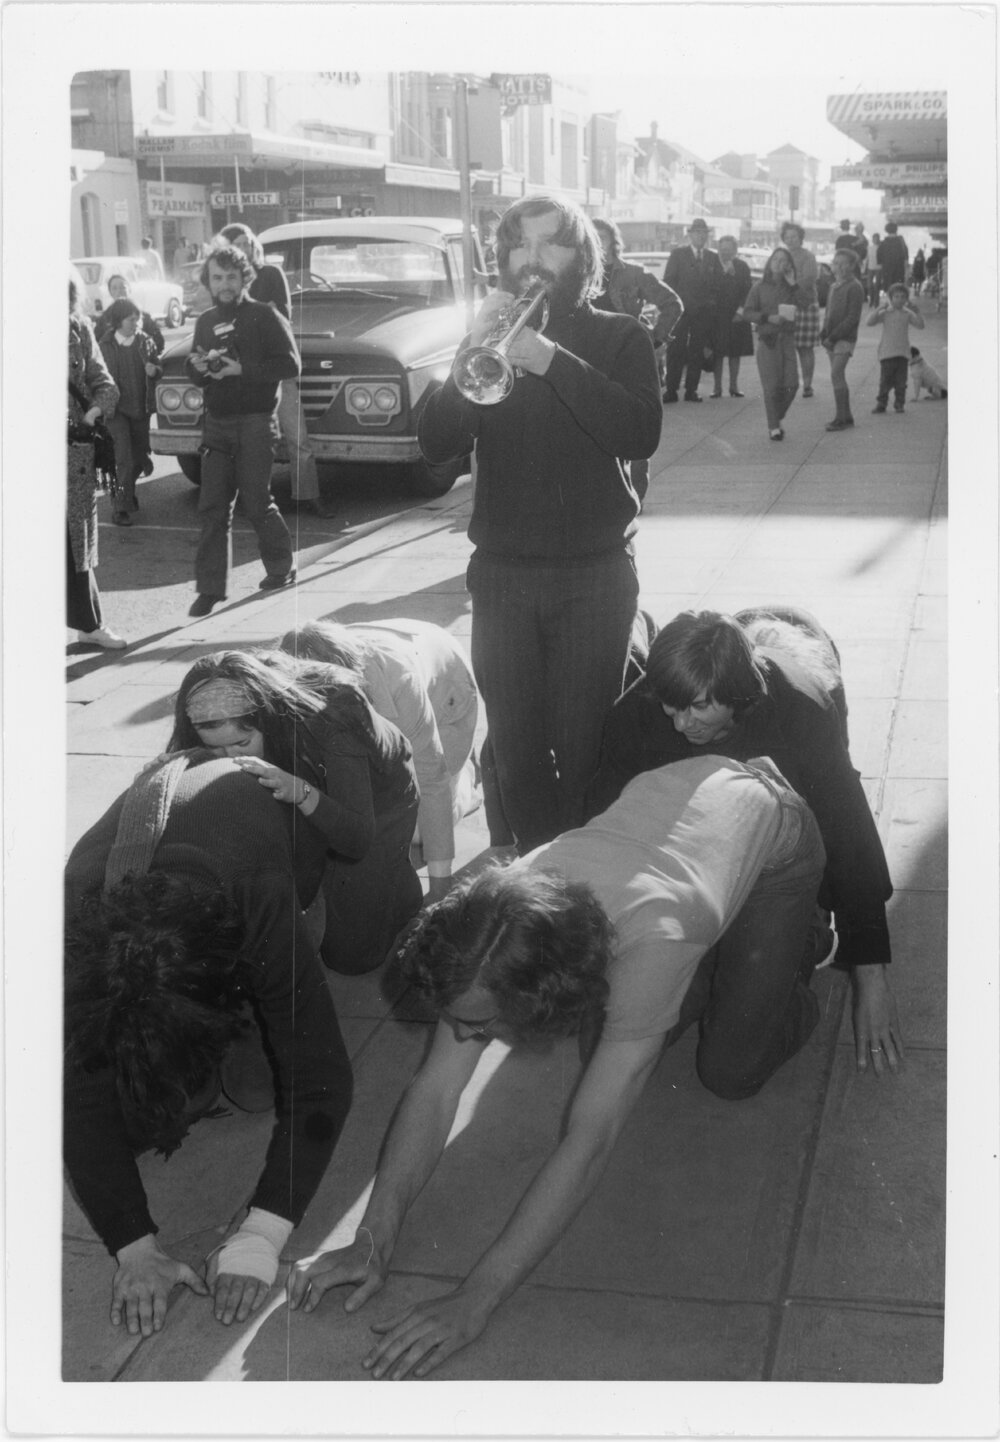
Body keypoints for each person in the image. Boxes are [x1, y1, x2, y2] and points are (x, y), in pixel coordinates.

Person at [285, 753, 833, 1378]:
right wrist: (372, 1238)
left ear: (536, 990)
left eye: (479, 1024)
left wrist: (477, 1297)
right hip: (668, 824)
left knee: (730, 1068)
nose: (466, 1037)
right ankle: (734, 961)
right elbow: (437, 1091)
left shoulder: (656, 940)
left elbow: (591, 1138)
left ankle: (804, 947)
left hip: (771, 834)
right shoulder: (495, 923)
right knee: (627, 1031)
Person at [63, 748, 353, 1338]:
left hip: (285, 871)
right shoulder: (73, 909)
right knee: (139, 1112)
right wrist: (135, 1247)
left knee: (257, 1088)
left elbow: (323, 1079)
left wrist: (264, 1232)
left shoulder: (260, 895)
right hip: (184, 885)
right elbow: (75, 1095)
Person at [417, 194, 661, 854]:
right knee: (517, 749)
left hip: (593, 574)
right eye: (519, 245)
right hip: (502, 575)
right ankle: (539, 878)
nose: (532, 259)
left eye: (550, 244)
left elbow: (640, 432)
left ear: (580, 257)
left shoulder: (618, 336)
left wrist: (552, 360)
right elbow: (436, 443)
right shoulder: (487, 339)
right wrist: (473, 347)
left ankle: (580, 871)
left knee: (582, 747)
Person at [586, 606, 901, 1061]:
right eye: (670, 706)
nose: (680, 723)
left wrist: (871, 978)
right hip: (691, 874)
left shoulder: (800, 710)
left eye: (697, 707)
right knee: (603, 1038)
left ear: (737, 695)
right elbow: (603, 831)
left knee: (731, 1068)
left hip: (778, 875)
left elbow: (851, 838)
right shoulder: (635, 715)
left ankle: (804, 950)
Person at [169, 649, 423, 974]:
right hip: (302, 775)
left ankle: (399, 889)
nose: (228, 758)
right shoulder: (218, 704)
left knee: (352, 959)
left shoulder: (333, 712)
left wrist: (299, 791)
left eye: (242, 744)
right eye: (215, 748)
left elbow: (357, 839)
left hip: (378, 797)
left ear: (269, 716)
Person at [281, 618, 480, 903]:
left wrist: (440, 890)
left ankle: (465, 785)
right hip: (391, 639)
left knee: (418, 834)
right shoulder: (287, 678)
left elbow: (432, 780)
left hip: (446, 688)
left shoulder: (399, 681)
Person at [185, 243, 299, 616]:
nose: (225, 284)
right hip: (216, 425)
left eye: (232, 277)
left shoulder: (265, 316)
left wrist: (241, 370)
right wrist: (198, 366)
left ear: (245, 277)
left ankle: (282, 567)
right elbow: (195, 373)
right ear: (209, 281)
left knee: (256, 501)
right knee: (213, 507)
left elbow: (290, 366)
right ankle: (210, 590)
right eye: (217, 277)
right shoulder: (204, 321)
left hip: (255, 422)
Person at [218, 222, 329, 518]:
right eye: (239, 244)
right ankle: (253, 502)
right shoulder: (231, 281)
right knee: (249, 442)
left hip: (277, 370)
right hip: (243, 372)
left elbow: (283, 314)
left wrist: (253, 316)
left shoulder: (271, 273)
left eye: (248, 242)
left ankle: (308, 496)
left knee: (298, 438)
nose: (246, 248)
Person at [591, 216, 682, 498]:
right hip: (590, 359)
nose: (596, 243)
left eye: (601, 238)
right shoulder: (576, 276)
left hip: (628, 357)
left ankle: (635, 495)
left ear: (613, 243)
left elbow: (672, 304)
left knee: (636, 422)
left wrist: (654, 338)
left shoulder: (633, 274)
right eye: (589, 237)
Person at [68, 274, 126, 650]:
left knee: (75, 541)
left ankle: (89, 624)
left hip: (73, 452)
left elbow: (106, 385)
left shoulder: (78, 330)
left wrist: (92, 413)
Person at [98, 297, 162, 524]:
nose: (135, 322)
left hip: (140, 409)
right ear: (117, 321)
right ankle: (120, 507)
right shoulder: (105, 345)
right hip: (116, 411)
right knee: (123, 457)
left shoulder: (145, 341)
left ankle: (128, 491)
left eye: (137, 318)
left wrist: (154, 370)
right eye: (130, 319)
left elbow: (159, 368)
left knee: (138, 457)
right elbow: (95, 377)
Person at [739, 246, 807, 441]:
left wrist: (793, 284)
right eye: (776, 259)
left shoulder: (790, 286)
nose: (780, 263)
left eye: (784, 260)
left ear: (789, 265)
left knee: (792, 384)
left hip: (787, 339)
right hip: (768, 340)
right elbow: (747, 312)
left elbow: (806, 303)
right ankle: (774, 427)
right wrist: (768, 317)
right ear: (770, 262)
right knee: (771, 387)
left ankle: (776, 416)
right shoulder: (759, 286)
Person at [662, 218, 722, 402]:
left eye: (704, 233)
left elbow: (717, 285)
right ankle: (671, 390)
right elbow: (669, 281)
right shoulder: (678, 255)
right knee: (676, 350)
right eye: (697, 233)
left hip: (702, 313)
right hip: (681, 311)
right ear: (690, 235)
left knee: (696, 351)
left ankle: (691, 390)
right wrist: (678, 304)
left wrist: (709, 304)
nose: (701, 236)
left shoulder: (712, 257)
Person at [819, 249, 865, 431]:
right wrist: (824, 333)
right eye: (836, 262)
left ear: (852, 265)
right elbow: (829, 313)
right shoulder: (833, 286)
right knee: (838, 376)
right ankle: (846, 416)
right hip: (831, 337)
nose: (838, 266)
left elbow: (852, 317)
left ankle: (840, 417)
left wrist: (833, 336)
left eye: (843, 263)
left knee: (836, 374)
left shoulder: (855, 287)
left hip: (844, 338)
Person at [867, 283, 925, 415]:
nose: (899, 299)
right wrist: (878, 309)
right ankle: (881, 404)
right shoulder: (886, 313)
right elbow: (869, 322)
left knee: (901, 382)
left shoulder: (907, 314)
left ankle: (899, 404)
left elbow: (921, 326)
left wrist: (918, 312)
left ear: (906, 299)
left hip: (903, 353)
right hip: (887, 352)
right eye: (896, 296)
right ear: (890, 298)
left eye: (903, 297)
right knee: (885, 381)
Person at [780, 221, 820, 399]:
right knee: (786, 348)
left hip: (805, 305)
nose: (790, 240)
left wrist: (790, 283)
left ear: (800, 238)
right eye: (787, 237)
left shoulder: (808, 256)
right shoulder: (781, 256)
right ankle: (789, 383)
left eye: (794, 236)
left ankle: (808, 385)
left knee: (805, 348)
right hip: (786, 306)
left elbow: (809, 279)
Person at [709, 235, 753, 398]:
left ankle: (734, 386)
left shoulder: (742, 267)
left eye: (728, 249)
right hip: (717, 316)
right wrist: (725, 275)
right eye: (722, 249)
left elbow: (748, 291)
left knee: (735, 352)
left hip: (736, 315)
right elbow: (710, 289)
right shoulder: (712, 266)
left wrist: (741, 312)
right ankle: (717, 388)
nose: (725, 252)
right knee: (717, 352)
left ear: (735, 250)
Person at [94, 275, 165, 361]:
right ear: (110, 292)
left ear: (129, 289)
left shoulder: (143, 316)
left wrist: (148, 360)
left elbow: (159, 342)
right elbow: (95, 347)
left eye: (122, 287)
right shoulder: (104, 319)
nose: (119, 291)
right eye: (114, 288)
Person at [876, 221, 909, 291]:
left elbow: (879, 257)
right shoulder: (900, 242)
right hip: (899, 268)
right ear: (896, 230)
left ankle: (889, 300)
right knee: (898, 287)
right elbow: (905, 255)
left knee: (888, 286)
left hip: (887, 268)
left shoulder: (883, 243)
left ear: (886, 230)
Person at [866, 233, 883, 309]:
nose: (875, 240)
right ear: (872, 240)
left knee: (877, 286)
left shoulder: (881, 248)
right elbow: (867, 258)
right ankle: (871, 300)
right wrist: (865, 267)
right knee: (869, 285)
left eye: (877, 238)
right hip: (870, 268)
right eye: (874, 238)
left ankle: (876, 302)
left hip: (879, 268)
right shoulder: (869, 247)